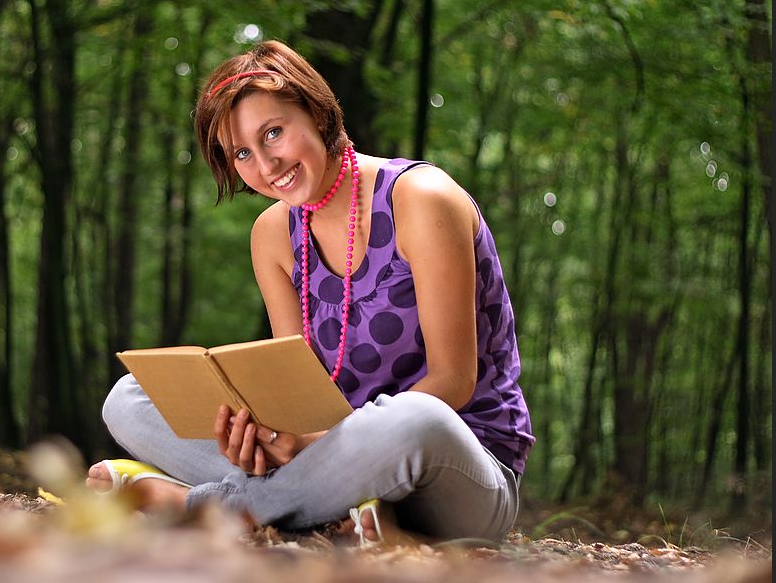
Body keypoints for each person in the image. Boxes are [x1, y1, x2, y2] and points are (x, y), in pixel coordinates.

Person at [87, 40, 534, 544]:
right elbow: (294, 394)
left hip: (458, 467)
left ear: (318, 112)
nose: (266, 164)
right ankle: (333, 512)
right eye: (242, 153)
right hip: (323, 462)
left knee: (416, 417)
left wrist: (318, 443)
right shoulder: (273, 235)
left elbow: (454, 382)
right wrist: (262, 437)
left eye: (273, 132)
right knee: (129, 398)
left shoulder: (422, 199)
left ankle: (205, 504)